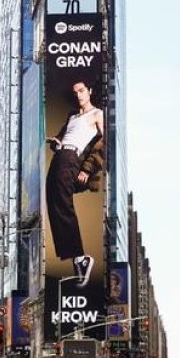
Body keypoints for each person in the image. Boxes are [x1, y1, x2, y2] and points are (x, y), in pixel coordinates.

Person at [46, 80, 105, 286]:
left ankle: (80, 257)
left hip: (72, 158)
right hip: (60, 156)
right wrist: (56, 142)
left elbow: (104, 142)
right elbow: (65, 137)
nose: (78, 95)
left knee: (62, 201)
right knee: (53, 200)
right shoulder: (72, 116)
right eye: (75, 92)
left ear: (89, 91)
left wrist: (87, 168)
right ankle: (77, 258)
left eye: (81, 90)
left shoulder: (97, 114)